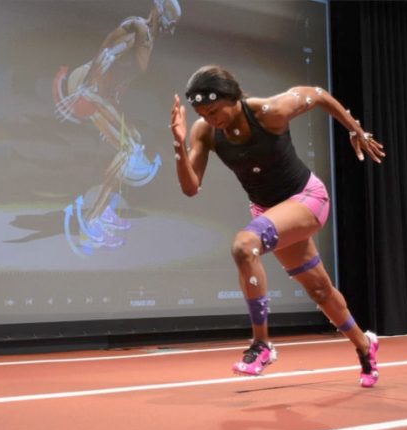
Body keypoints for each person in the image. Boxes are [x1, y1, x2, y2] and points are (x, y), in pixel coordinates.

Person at [169, 65, 385, 387]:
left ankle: (261, 345)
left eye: (214, 111)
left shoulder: (271, 111)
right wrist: (178, 146)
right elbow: (190, 188)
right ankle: (365, 345)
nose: (210, 119)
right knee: (319, 290)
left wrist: (355, 129)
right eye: (203, 114)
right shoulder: (205, 132)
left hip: (307, 199)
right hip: (270, 212)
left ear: (233, 97)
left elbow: (318, 95)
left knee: (244, 245)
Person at [53, 0, 181, 250]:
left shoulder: (148, 38)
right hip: (91, 87)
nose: (169, 28)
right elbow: (107, 52)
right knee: (129, 149)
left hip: (102, 93)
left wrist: (113, 107)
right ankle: (91, 221)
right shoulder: (139, 28)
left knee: (133, 143)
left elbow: (122, 74)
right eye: (169, 20)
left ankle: (103, 210)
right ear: (158, 12)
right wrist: (88, 87)